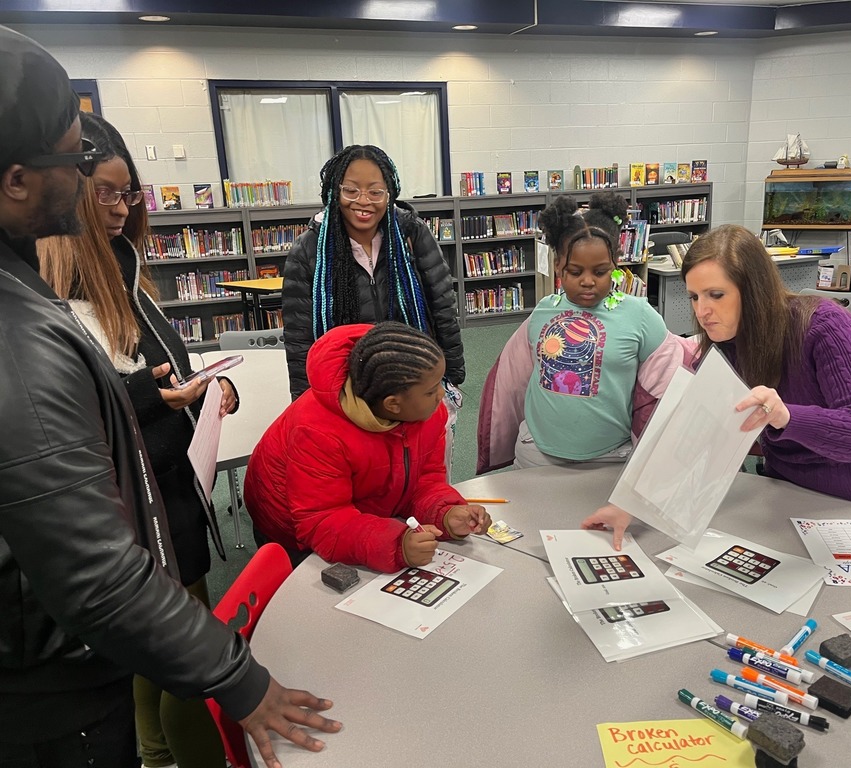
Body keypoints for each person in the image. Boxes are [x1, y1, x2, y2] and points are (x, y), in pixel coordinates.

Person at [0, 26, 337, 768]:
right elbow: (95, 575)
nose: (107, 198)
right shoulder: (19, 336)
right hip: (53, 678)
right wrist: (241, 682)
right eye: (75, 162)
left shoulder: (38, 294)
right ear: (18, 179)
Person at [37, 112, 236, 768]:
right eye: (105, 193)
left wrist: (201, 392)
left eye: (129, 193)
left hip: (169, 486)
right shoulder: (52, 292)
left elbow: (151, 364)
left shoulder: (123, 267)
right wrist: (157, 398)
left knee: (159, 654)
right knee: (188, 657)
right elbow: (69, 413)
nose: (122, 208)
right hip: (134, 508)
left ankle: (156, 757)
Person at [585, 224, 851, 548]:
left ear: (753, 291)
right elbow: (691, 434)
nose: (702, 310)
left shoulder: (823, 325)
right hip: (799, 483)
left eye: (716, 295)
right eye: (695, 297)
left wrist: (787, 417)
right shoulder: (721, 344)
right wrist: (632, 505)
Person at [244, 322, 491, 571]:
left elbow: (424, 481)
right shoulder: (318, 432)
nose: (441, 396)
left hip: (359, 507)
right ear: (393, 405)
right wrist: (397, 544)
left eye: (441, 382)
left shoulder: (427, 413)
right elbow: (322, 520)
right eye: (430, 391)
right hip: (290, 527)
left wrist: (447, 514)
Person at [477, 192, 695, 474]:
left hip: (611, 458)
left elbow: (667, 379)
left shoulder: (640, 315)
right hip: (536, 452)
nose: (588, 281)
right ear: (558, 266)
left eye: (600, 271)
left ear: (615, 263)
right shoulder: (543, 311)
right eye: (575, 271)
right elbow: (514, 379)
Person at [282, 144, 464, 400]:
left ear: (389, 193)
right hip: (349, 389)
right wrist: (306, 400)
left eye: (375, 191)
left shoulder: (411, 234)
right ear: (335, 191)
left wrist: (453, 372)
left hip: (412, 379)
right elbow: (300, 339)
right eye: (351, 190)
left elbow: (442, 305)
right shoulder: (309, 250)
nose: (363, 201)